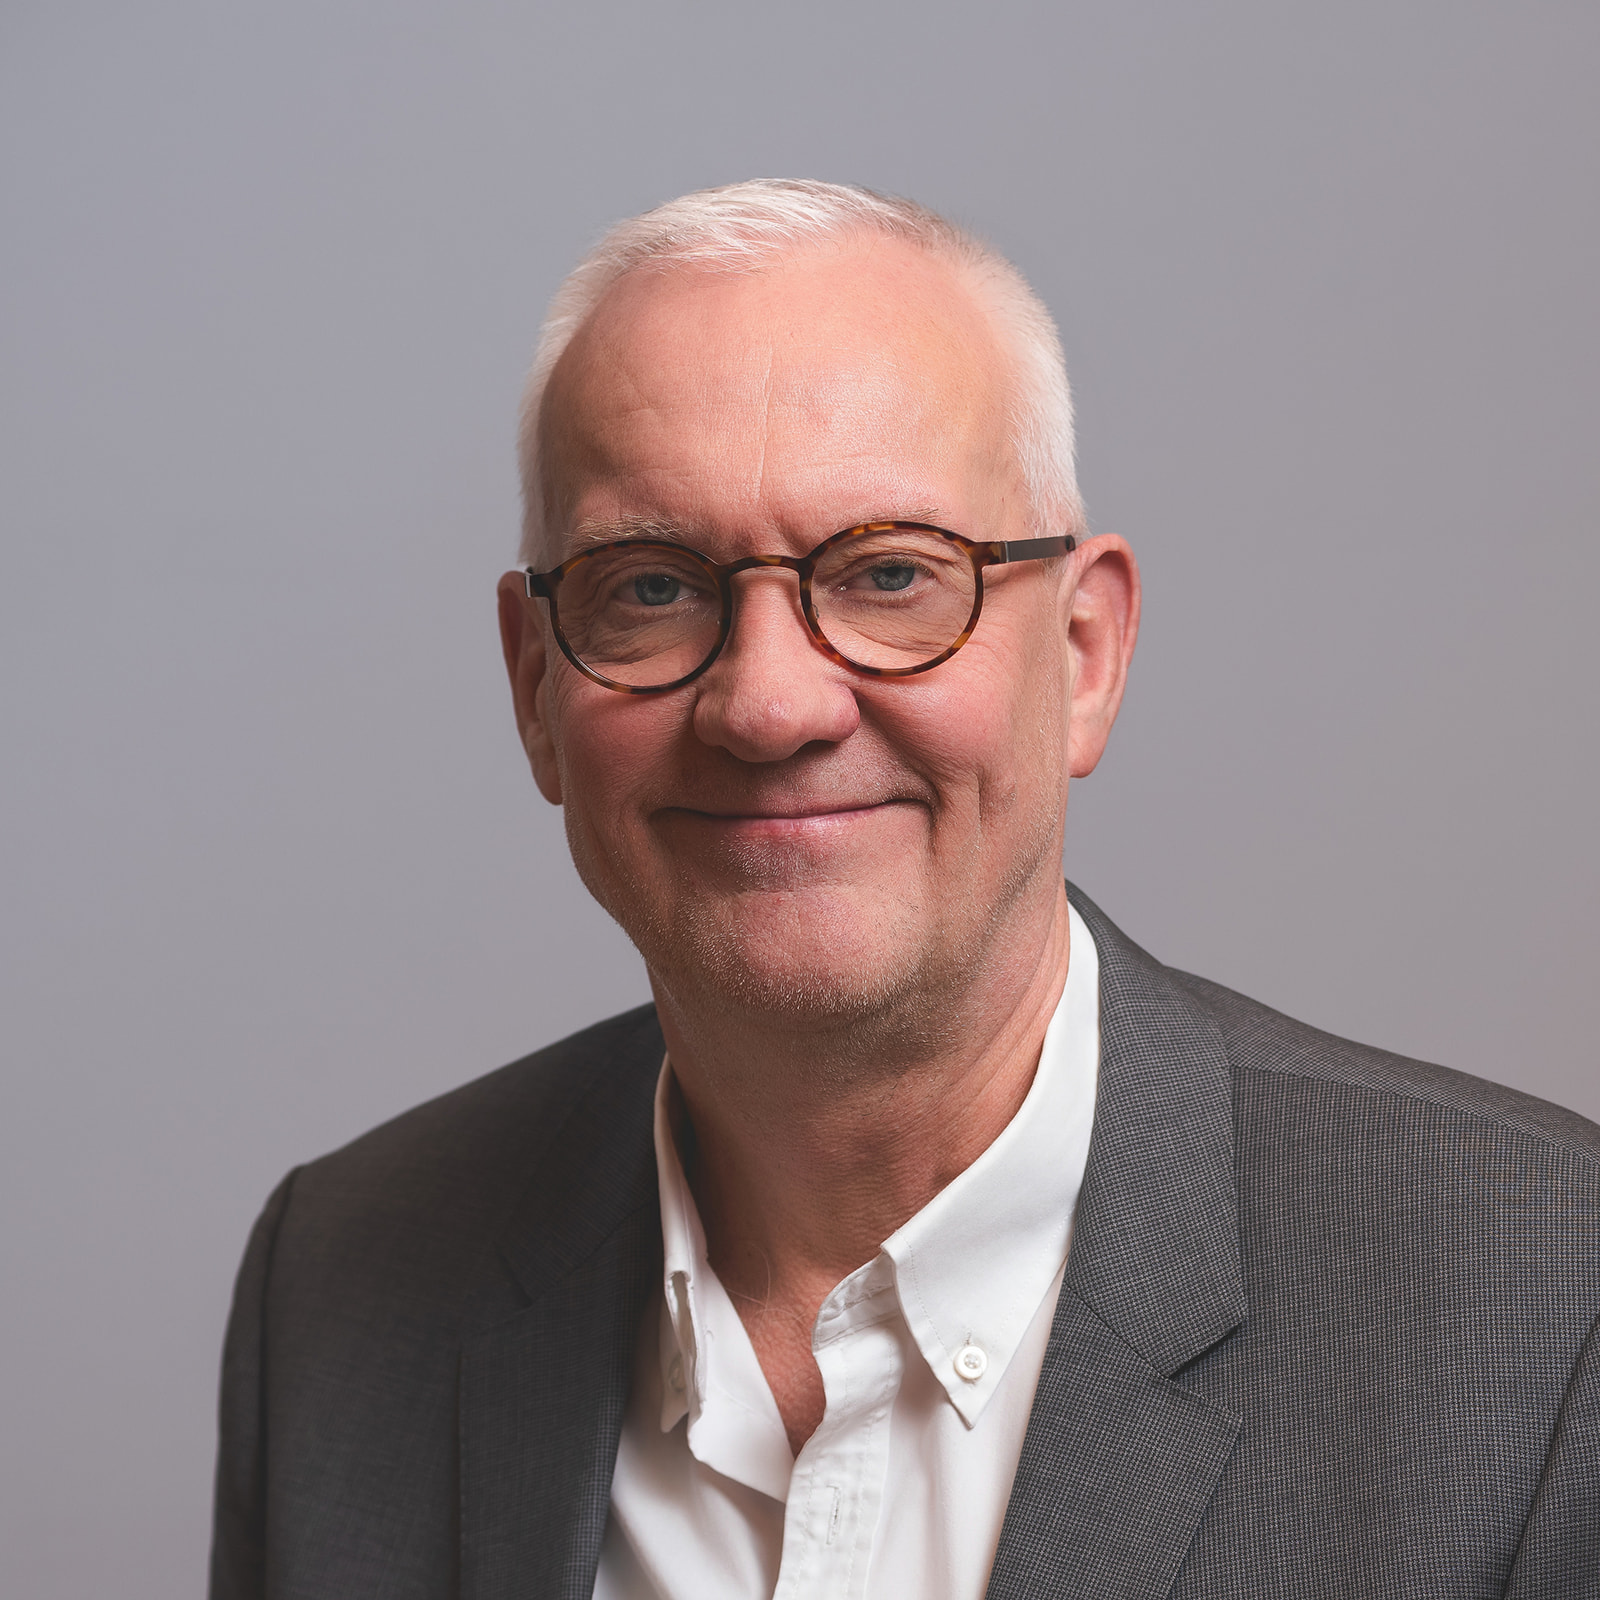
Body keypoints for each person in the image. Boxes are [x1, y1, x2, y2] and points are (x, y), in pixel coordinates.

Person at [209, 180, 1600, 1600]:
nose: (769, 706)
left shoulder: (1550, 1313)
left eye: (888, 575)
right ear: (533, 686)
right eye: (652, 589)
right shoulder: (339, 1289)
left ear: (1084, 655)